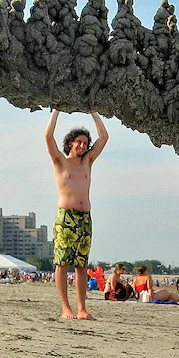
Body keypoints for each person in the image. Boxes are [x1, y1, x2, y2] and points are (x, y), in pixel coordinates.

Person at [46, 109, 108, 319]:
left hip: (85, 218)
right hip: (66, 217)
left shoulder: (87, 162)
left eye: (84, 142)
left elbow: (104, 137)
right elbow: (48, 137)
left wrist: (94, 112)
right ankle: (66, 308)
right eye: (78, 142)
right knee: (62, 263)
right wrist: (56, 111)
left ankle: (82, 309)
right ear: (70, 143)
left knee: (82, 266)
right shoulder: (60, 161)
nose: (82, 146)